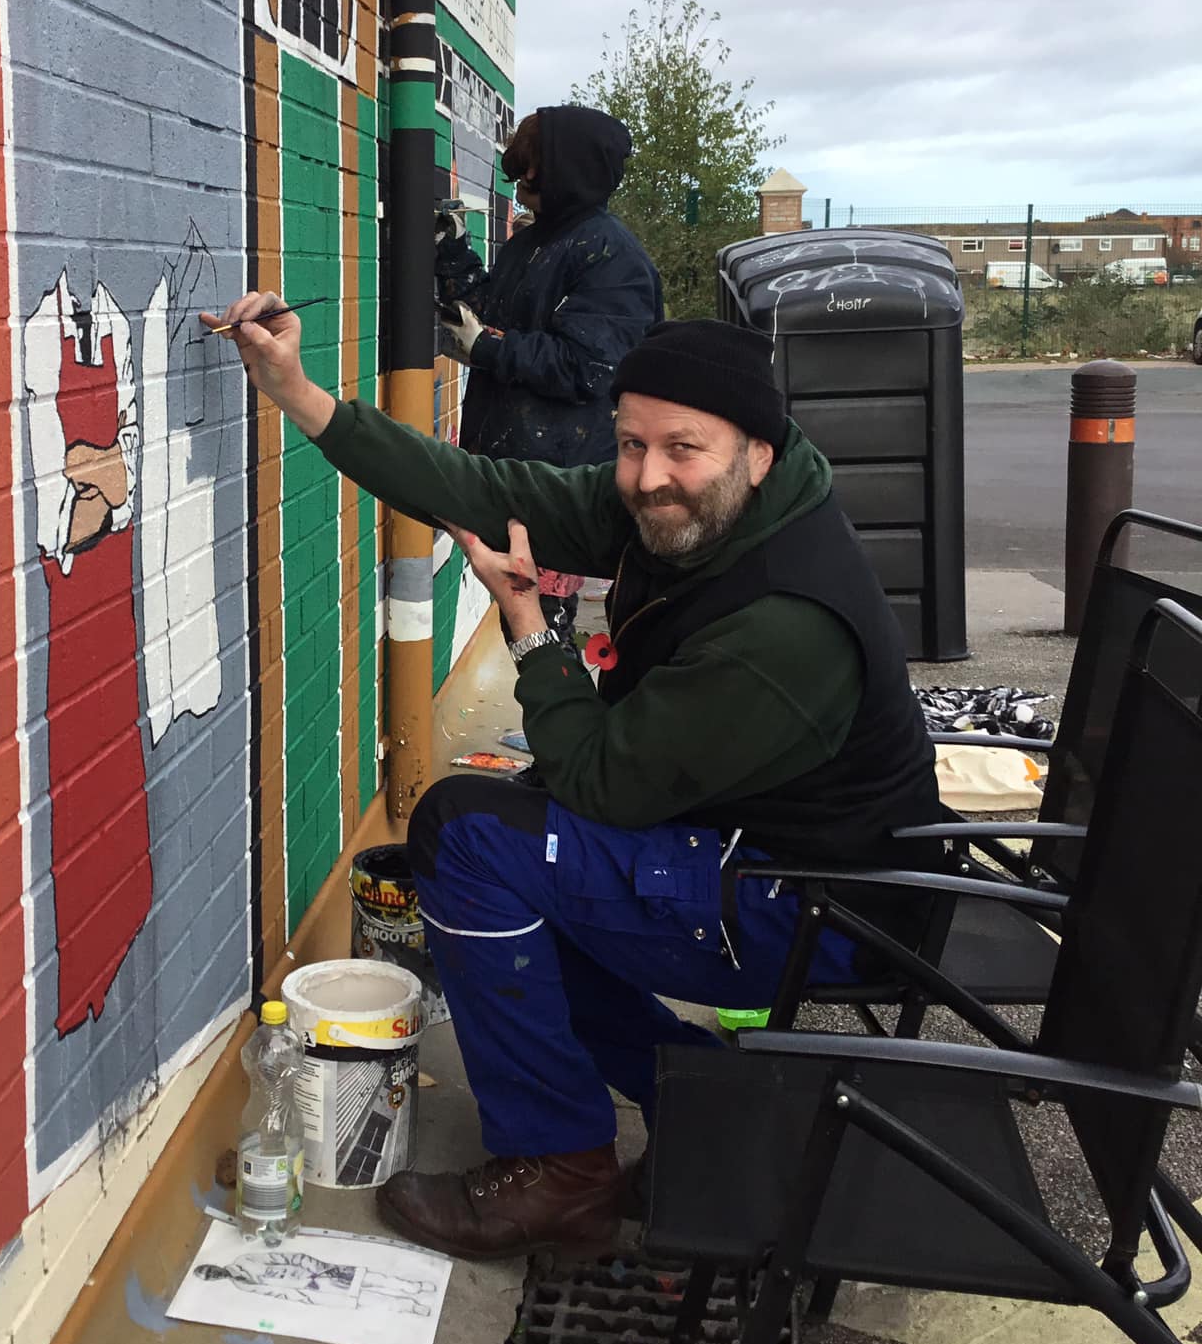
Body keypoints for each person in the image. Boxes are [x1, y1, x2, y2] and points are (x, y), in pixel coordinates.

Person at [201, 293, 941, 1262]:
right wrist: (297, 392)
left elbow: (603, 782)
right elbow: (480, 485)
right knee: (510, 833)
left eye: (684, 449)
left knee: (472, 836)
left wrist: (528, 631)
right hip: (758, 851)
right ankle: (700, 1098)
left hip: (814, 913)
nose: (647, 478)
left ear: (758, 452)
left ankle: (561, 1169)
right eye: (631, 444)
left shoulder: (785, 626)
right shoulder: (711, 512)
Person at [436, 105, 662, 650]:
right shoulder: (536, 243)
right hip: (515, 475)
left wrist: (488, 348)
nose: (520, 182)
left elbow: (590, 367)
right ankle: (552, 727)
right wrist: (451, 250)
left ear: (566, 171)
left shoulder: (611, 256)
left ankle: (562, 732)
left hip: (557, 485)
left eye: (530, 169)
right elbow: (495, 306)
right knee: (523, 622)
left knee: (541, 628)